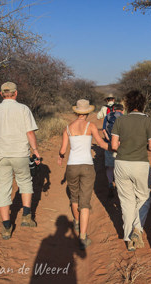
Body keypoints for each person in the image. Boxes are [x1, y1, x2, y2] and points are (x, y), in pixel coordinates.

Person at [58, 99, 109, 250]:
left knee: (74, 197)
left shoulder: (67, 128)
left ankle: (77, 221)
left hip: (72, 166)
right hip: (87, 166)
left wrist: (60, 156)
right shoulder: (91, 126)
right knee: (85, 202)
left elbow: (62, 150)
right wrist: (114, 148)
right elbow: (101, 144)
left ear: (76, 112)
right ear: (87, 112)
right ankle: (83, 236)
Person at [111, 90, 151, 251]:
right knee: (144, 198)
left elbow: (114, 145)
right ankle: (138, 229)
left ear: (128, 104)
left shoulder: (120, 120)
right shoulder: (148, 121)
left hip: (121, 163)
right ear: (143, 104)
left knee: (126, 201)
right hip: (140, 164)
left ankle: (129, 238)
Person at [0, 82, 41, 240]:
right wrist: (35, 151)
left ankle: (6, 227)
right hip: (20, 153)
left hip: (0, 155)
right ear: (15, 93)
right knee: (25, 182)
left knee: (2, 189)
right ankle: (26, 217)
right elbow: (29, 132)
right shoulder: (23, 109)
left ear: (2, 94)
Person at [102, 103, 124, 198]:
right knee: (120, 166)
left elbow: (103, 130)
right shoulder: (124, 117)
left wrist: (109, 140)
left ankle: (110, 184)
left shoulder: (108, 116)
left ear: (114, 109)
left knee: (110, 167)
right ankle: (120, 186)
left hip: (109, 144)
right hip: (121, 144)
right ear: (122, 110)